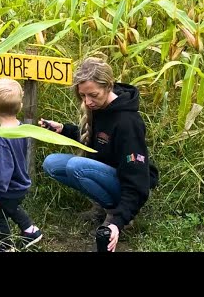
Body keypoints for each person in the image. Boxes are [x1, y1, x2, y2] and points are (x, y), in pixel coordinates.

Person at [39, 57, 158, 252]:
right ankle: (101, 207)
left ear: (108, 86)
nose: (87, 101)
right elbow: (97, 140)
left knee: (76, 167)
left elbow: (137, 181)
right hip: (108, 173)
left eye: (93, 95)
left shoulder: (128, 122)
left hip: (126, 183)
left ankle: (113, 212)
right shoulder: (99, 107)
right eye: (83, 96)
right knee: (51, 163)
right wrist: (64, 129)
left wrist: (118, 222)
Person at [0, 78, 42, 252]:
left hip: (8, 187)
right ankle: (28, 232)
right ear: (19, 107)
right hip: (21, 182)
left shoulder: (0, 137)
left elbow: (4, 171)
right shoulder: (21, 127)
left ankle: (6, 245)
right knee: (9, 209)